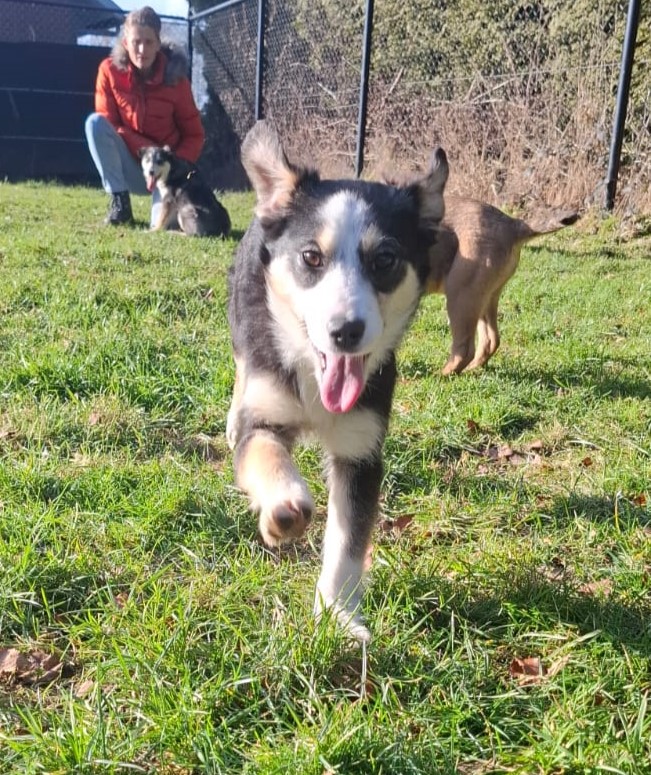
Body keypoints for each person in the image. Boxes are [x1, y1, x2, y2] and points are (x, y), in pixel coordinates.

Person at [84, 6, 205, 226]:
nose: (142, 49)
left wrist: (174, 165)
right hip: (131, 164)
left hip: (165, 171)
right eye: (136, 42)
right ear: (125, 42)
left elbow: (194, 135)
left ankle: (172, 208)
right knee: (95, 124)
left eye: (149, 42)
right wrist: (148, 149)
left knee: (160, 227)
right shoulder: (108, 71)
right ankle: (120, 204)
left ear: (158, 44)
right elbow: (109, 124)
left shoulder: (177, 81)